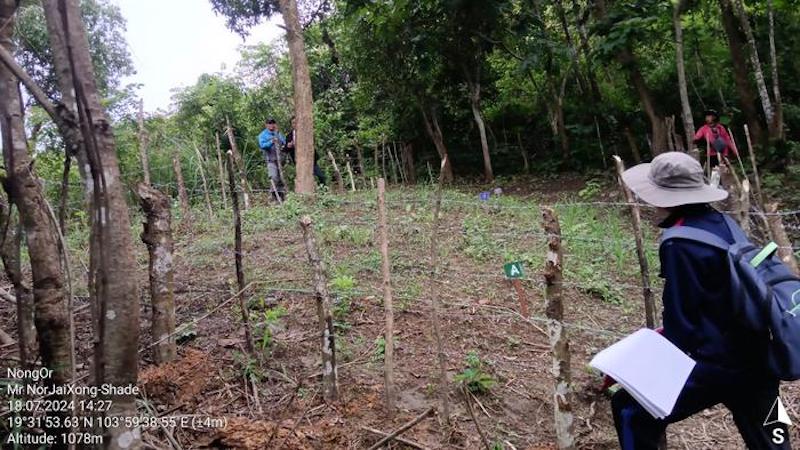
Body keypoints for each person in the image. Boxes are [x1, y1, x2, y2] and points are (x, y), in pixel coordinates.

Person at [613, 152, 790, 450]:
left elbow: (681, 326)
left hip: (715, 363)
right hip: (760, 356)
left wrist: (633, 369)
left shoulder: (679, 242)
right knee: (774, 436)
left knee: (629, 408)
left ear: (665, 197)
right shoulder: (724, 222)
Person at [285, 116, 326, 185]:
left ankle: (323, 192)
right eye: (293, 123)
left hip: (310, 159)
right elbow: (285, 149)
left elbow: (312, 143)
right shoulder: (289, 136)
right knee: (303, 178)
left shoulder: (307, 133)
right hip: (299, 161)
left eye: (296, 122)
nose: (295, 124)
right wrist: (289, 146)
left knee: (321, 176)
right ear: (291, 125)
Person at [258, 118, 286, 200]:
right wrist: (271, 142)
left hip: (280, 160)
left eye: (273, 123)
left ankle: (281, 197)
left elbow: (284, 142)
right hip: (271, 160)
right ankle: (274, 196)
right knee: (273, 177)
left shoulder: (278, 133)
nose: (271, 125)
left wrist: (277, 134)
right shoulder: (262, 135)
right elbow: (262, 145)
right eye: (269, 123)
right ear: (266, 125)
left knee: (280, 178)